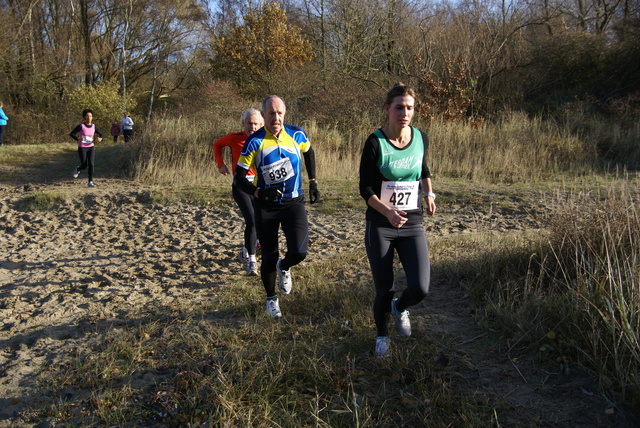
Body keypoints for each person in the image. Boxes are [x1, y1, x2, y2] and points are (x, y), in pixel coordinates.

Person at [358, 83, 436, 357]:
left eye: (410, 108)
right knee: (384, 287)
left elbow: (423, 168)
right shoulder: (375, 142)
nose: (405, 113)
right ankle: (382, 336)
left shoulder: (421, 138)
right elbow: (364, 188)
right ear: (387, 109)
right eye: (399, 107)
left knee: (420, 287)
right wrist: (387, 211)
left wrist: (429, 194)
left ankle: (400, 308)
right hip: (381, 223)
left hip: (412, 221)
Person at [234, 95, 320, 318]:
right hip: (267, 206)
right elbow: (239, 177)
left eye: (279, 112)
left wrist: (313, 182)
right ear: (263, 116)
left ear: (285, 113)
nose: (276, 117)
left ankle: (286, 266)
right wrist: (258, 192)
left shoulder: (297, 133)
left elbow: (309, 152)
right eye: (271, 113)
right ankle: (271, 299)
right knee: (269, 256)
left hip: (294, 203)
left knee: (300, 252)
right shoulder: (255, 141)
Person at [213, 108, 264, 276]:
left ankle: (250, 247)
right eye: (249, 123)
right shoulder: (235, 138)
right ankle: (251, 260)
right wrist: (220, 164)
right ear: (243, 123)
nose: (253, 127)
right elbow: (217, 144)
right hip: (240, 186)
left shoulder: (264, 138)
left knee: (263, 220)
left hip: (259, 186)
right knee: (252, 220)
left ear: (262, 124)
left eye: (256, 123)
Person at [70, 109, 103, 187]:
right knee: (84, 165)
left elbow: (101, 134)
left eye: (90, 116)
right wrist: (77, 138)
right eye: (87, 116)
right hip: (82, 147)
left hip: (91, 147)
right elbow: (72, 133)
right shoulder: (81, 126)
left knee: (91, 164)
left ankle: (90, 182)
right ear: (84, 117)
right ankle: (78, 169)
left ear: (92, 117)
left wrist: (101, 138)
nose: (89, 117)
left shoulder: (94, 126)